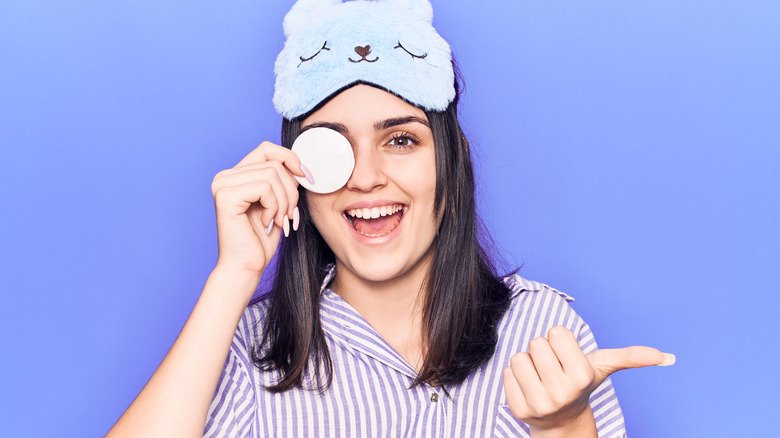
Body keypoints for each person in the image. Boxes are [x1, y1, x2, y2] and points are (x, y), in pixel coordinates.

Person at [108, 1, 674, 437]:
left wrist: (564, 426)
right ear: (295, 172)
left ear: (448, 164)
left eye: (400, 139)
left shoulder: (541, 331)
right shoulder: (246, 349)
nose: (366, 178)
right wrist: (233, 274)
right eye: (334, 146)